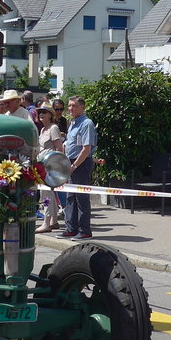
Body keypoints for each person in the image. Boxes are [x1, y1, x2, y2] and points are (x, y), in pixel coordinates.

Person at [61, 96, 96, 240]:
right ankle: (71, 228)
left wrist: (75, 166)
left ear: (82, 107)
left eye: (74, 106)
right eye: (69, 106)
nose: (70, 108)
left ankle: (85, 230)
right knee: (70, 196)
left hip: (81, 163)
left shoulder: (86, 123)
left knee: (81, 197)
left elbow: (86, 149)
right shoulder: (73, 123)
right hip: (71, 162)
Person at [35, 104, 65, 233]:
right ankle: (53, 221)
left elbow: (59, 148)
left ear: (50, 115)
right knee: (49, 193)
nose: (41, 114)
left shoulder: (53, 128)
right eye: (40, 112)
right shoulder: (43, 130)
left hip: (50, 166)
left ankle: (46, 222)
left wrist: (57, 165)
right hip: (42, 165)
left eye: (44, 112)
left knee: (46, 193)